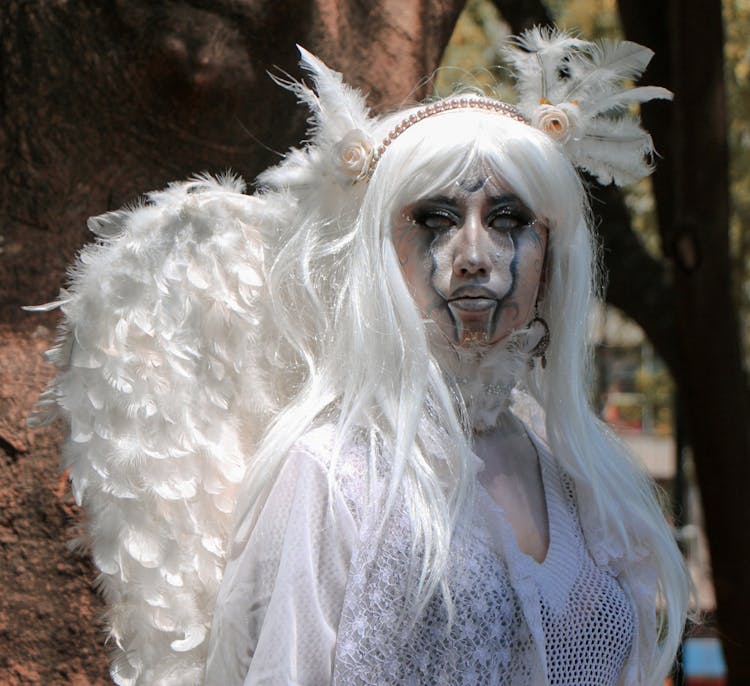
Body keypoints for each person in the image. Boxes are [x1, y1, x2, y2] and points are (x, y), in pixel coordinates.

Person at [31, 28, 690, 686]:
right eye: (435, 218)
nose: (474, 254)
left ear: (551, 256)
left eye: (510, 219)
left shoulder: (579, 470)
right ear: (385, 251)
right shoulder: (333, 472)